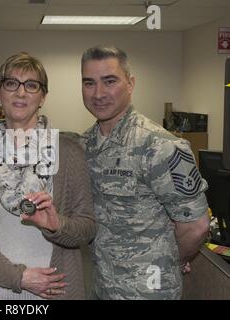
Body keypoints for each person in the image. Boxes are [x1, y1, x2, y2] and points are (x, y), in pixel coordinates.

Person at [0, 52, 97, 300]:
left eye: (31, 85)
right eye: (11, 84)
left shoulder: (69, 153)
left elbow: (87, 229)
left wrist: (56, 225)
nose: (21, 93)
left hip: (58, 294)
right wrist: (18, 277)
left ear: (43, 97)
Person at [79, 45, 210, 300]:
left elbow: (196, 225)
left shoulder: (162, 146)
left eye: (109, 81)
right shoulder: (86, 145)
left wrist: (173, 258)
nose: (98, 93)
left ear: (130, 83)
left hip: (148, 291)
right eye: (89, 83)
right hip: (102, 286)